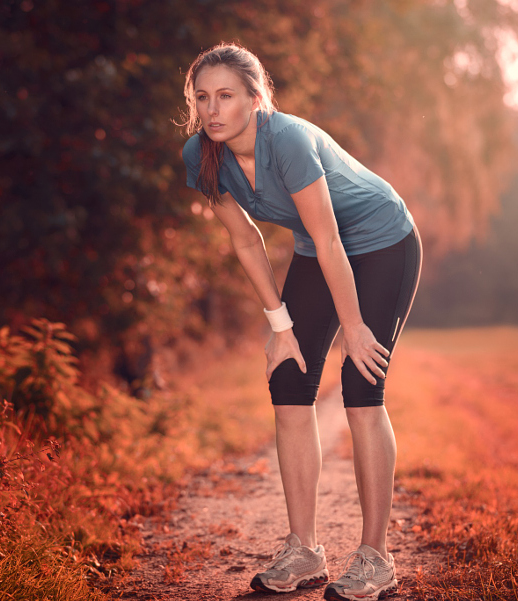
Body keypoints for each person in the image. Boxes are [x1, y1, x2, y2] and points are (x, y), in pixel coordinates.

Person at [179, 42, 422, 601]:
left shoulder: (285, 138)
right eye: (202, 99)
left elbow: (337, 238)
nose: (213, 110)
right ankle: (305, 551)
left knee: (363, 386)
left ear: (255, 98)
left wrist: (355, 327)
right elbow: (246, 240)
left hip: (382, 241)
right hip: (320, 250)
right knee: (289, 380)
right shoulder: (200, 155)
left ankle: (376, 557)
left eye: (226, 96)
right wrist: (280, 325)